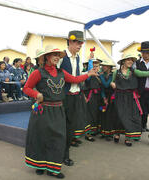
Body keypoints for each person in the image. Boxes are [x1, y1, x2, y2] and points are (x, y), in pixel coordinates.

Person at [23, 45, 98, 178]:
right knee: (41, 138)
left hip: (58, 110)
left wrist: (88, 74)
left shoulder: (61, 72)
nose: (57, 57)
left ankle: (52, 169)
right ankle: (40, 165)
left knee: (57, 138)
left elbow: (75, 80)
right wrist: (36, 94)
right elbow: (27, 88)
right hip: (43, 110)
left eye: (58, 55)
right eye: (54, 55)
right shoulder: (38, 72)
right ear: (47, 57)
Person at [110, 54, 149, 147]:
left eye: (131, 60)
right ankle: (117, 133)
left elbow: (144, 73)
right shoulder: (116, 72)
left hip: (131, 97)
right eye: (128, 60)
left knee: (130, 117)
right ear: (123, 61)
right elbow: (112, 81)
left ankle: (128, 137)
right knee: (119, 116)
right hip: (119, 97)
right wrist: (112, 84)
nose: (130, 61)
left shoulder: (134, 71)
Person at [57, 30, 87, 166]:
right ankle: (63, 155)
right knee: (62, 127)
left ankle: (65, 153)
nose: (80, 45)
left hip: (76, 96)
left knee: (71, 127)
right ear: (70, 41)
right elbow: (54, 75)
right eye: (77, 42)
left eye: (81, 42)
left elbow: (79, 75)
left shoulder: (79, 58)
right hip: (64, 97)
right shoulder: (61, 57)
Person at [83, 58, 102, 141]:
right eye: (93, 66)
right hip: (90, 97)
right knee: (89, 114)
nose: (95, 68)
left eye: (97, 66)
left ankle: (94, 130)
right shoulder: (88, 76)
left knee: (96, 113)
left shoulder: (99, 75)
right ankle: (88, 133)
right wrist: (90, 60)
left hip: (98, 96)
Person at [99, 59, 117, 141]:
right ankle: (103, 132)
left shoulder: (112, 75)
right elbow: (102, 88)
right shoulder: (102, 75)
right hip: (104, 97)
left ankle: (110, 134)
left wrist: (101, 76)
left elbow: (106, 84)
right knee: (103, 114)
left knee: (110, 115)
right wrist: (103, 98)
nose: (103, 67)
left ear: (109, 67)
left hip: (111, 97)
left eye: (105, 66)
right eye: (102, 66)